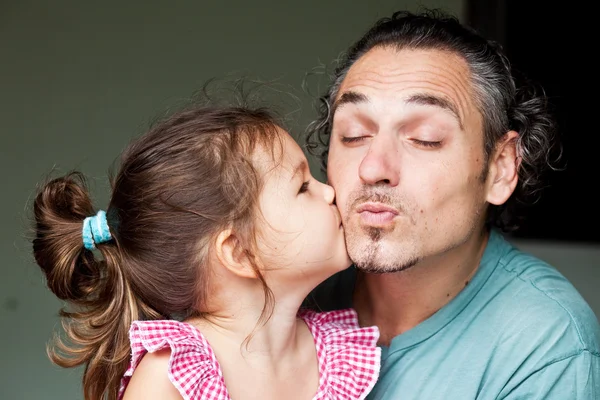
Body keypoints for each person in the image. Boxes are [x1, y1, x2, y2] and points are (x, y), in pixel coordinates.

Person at [303, 9, 600, 399]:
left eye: (425, 138)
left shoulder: (546, 344)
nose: (373, 167)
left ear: (500, 169)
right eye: (354, 134)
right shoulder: (289, 292)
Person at [31, 101, 381, 400]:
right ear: (240, 252)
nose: (330, 193)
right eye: (303, 187)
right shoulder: (168, 380)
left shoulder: (339, 356)